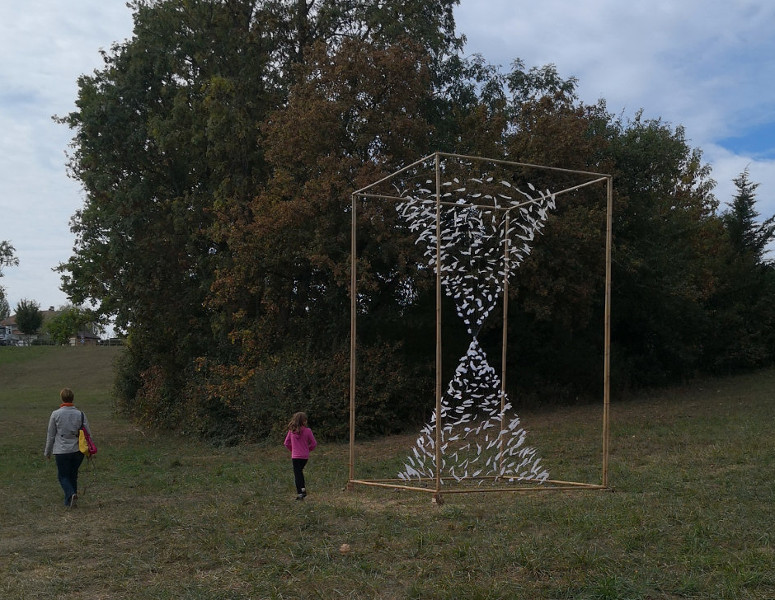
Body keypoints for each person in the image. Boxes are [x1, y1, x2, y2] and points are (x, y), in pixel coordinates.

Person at [44, 388, 93, 508]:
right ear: (72, 398)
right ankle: (70, 501)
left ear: (62, 398)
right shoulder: (80, 414)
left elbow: (51, 435)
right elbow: (88, 433)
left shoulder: (55, 414)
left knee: (62, 476)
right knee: (73, 475)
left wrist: (47, 451)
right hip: (77, 450)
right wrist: (90, 449)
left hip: (62, 450)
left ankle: (71, 494)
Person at [283, 412, 317, 500]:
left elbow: (286, 443)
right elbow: (314, 443)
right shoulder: (308, 431)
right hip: (304, 457)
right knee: (299, 472)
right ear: (304, 421)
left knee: (297, 474)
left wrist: (292, 450)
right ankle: (302, 490)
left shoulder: (291, 431)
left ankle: (300, 492)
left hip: (295, 456)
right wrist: (308, 450)